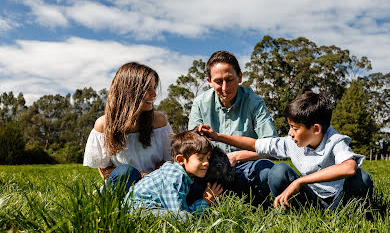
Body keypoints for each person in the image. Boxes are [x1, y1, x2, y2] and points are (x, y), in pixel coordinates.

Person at [199, 91, 373, 210]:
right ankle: (297, 213)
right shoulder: (291, 142)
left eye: (294, 128)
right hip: (311, 200)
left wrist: (300, 182)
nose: (290, 133)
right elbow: (254, 144)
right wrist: (218, 136)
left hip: (339, 201)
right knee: (279, 171)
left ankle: (352, 214)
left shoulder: (335, 141)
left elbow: (349, 167)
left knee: (362, 178)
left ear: (316, 129)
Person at [188, 50, 278, 205]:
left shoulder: (254, 102)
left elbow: (273, 147)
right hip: (211, 169)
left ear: (240, 77)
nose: (224, 87)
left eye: (229, 80)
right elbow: (190, 147)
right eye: (218, 81)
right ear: (209, 81)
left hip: (247, 167)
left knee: (266, 171)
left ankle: (257, 205)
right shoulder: (200, 104)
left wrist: (237, 156)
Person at [83, 62, 172, 192]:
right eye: (148, 89)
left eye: (154, 88)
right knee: (126, 171)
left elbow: (169, 160)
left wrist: (150, 178)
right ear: (129, 91)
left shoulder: (159, 121)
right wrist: (139, 176)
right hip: (123, 185)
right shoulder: (103, 124)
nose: (154, 94)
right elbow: (104, 170)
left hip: (156, 184)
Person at [123, 128, 223, 218]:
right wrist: (205, 201)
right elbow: (179, 214)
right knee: (184, 218)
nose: (206, 163)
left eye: (208, 158)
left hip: (140, 209)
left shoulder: (180, 174)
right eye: (200, 158)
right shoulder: (174, 177)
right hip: (138, 212)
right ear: (180, 160)